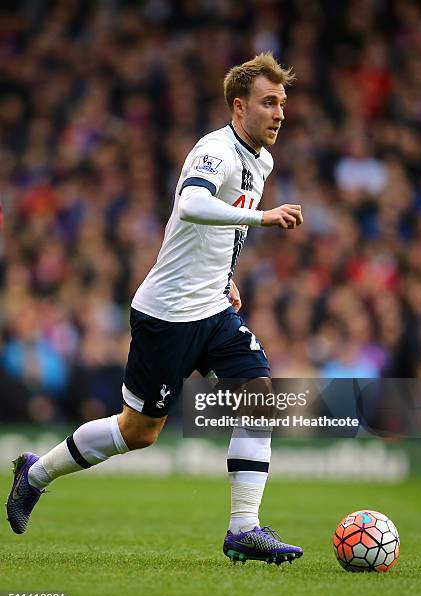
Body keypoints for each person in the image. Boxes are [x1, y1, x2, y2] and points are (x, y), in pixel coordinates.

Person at [7, 53, 304, 565]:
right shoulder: (215, 151)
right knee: (137, 432)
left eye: (282, 103)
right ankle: (35, 474)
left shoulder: (262, 159)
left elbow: (207, 227)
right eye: (269, 102)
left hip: (211, 308)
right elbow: (189, 205)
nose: (280, 113)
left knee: (259, 396)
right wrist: (264, 217)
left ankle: (244, 529)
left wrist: (225, 275)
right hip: (166, 315)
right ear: (239, 107)